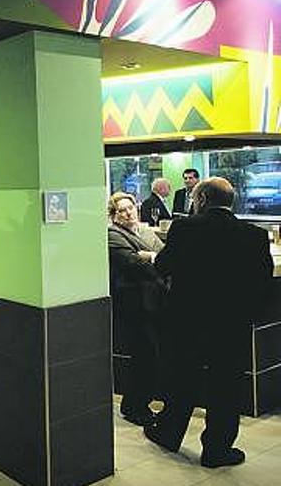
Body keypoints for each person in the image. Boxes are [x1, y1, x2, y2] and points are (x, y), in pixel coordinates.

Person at [144, 177, 273, 468]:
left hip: (187, 322)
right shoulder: (254, 234)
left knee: (182, 378)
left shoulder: (185, 228)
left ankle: (168, 432)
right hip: (232, 326)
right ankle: (218, 450)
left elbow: (163, 265)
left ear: (200, 201)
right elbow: (262, 283)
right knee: (226, 386)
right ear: (231, 202)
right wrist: (249, 316)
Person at [107, 192, 166, 426]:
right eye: (121, 210)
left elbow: (164, 257)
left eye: (130, 207)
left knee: (151, 355)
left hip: (154, 302)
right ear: (114, 215)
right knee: (143, 354)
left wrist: (149, 257)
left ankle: (141, 403)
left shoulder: (144, 231)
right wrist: (153, 260)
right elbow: (132, 264)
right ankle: (134, 406)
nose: (128, 212)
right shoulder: (112, 235)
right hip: (133, 303)